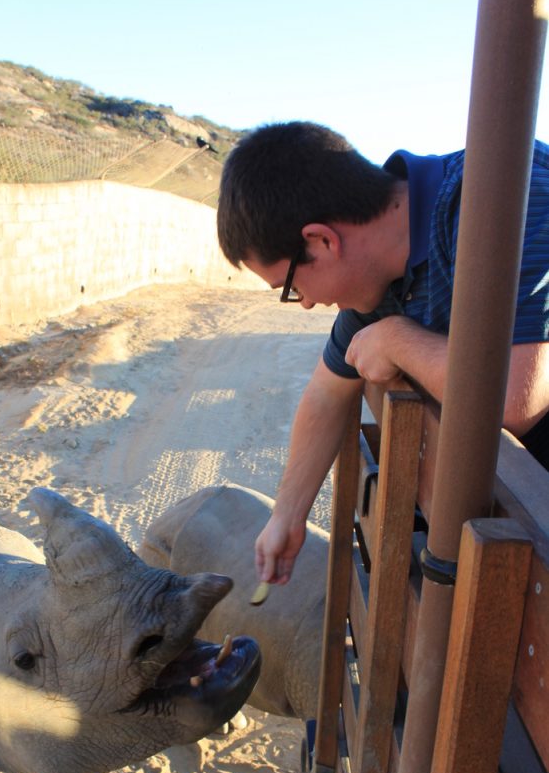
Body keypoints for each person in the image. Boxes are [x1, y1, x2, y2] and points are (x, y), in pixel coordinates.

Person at [216, 121, 549, 586]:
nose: (306, 302)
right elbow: (325, 395)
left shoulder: (506, 194)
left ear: (323, 241)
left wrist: (397, 340)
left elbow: (516, 398)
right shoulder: (378, 286)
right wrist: (287, 516)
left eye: (290, 287)